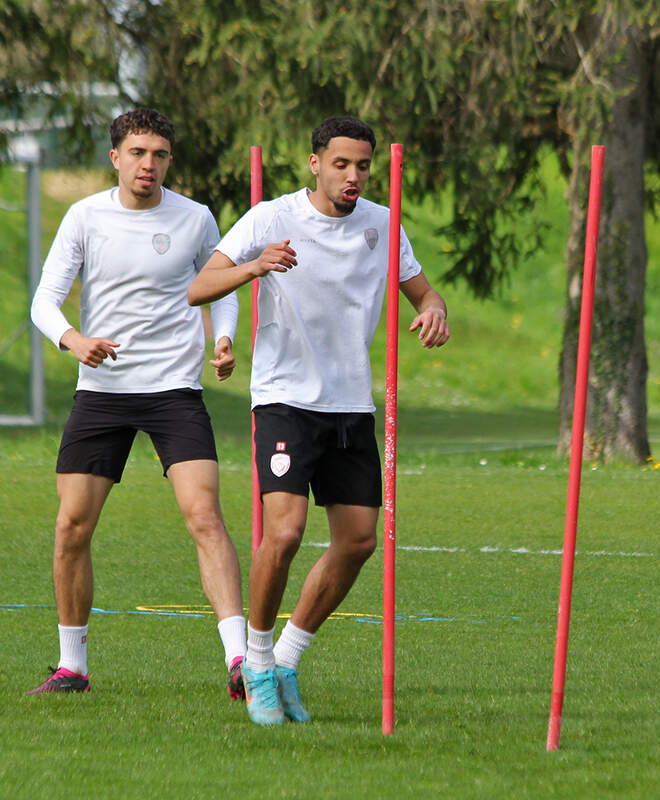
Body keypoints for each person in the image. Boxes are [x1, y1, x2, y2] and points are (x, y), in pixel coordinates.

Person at [187, 116, 449, 726]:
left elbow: (424, 293)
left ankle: (285, 659)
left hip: (352, 404)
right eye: (341, 164)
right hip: (284, 398)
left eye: (362, 165)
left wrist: (434, 310)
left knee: (358, 541)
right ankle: (254, 664)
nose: (353, 176)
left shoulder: (384, 224)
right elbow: (200, 285)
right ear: (314, 163)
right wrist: (254, 268)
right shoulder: (271, 218)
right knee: (283, 534)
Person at [28, 108, 247, 698]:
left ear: (169, 160)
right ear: (116, 157)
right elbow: (44, 301)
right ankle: (72, 667)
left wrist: (221, 338)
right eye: (138, 153)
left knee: (205, 516)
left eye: (160, 154)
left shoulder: (196, 217)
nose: (149, 164)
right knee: (72, 525)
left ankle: (239, 661)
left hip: (174, 390)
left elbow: (220, 284)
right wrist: (75, 341)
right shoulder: (84, 216)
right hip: (103, 393)